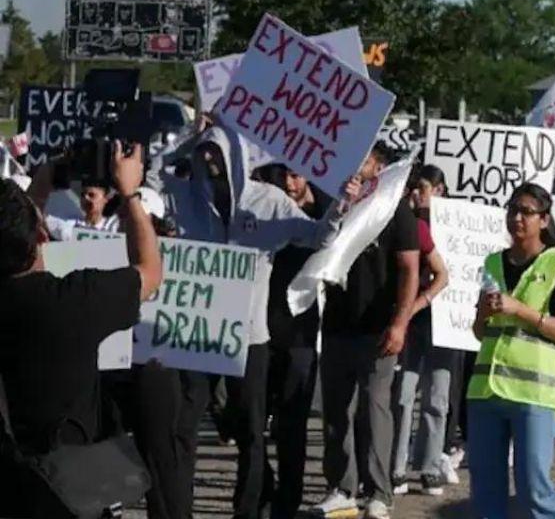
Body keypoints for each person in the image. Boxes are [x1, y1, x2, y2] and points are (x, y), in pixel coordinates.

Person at [154, 124, 353, 519]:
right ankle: (179, 510)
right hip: (200, 336)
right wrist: (193, 138)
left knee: (251, 433)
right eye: (205, 155)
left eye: (217, 154)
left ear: (237, 160)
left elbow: (317, 237)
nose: (210, 161)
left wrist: (341, 204)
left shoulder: (269, 203)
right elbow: (150, 173)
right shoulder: (188, 195)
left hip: (250, 338)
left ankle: (247, 512)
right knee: (183, 428)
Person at [0, 143, 163, 517]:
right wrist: (131, 194)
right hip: (67, 492)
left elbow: (15, 229)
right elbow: (150, 270)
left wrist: (46, 178)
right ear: (42, 235)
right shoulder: (75, 299)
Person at [312, 145, 420, 519]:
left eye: (365, 161)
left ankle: (379, 492)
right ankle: (341, 487)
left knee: (375, 411)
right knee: (336, 411)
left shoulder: (395, 211)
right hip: (338, 324)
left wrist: (400, 323)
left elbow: (410, 269)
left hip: (378, 328)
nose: (356, 168)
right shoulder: (338, 202)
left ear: (380, 168)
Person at [467, 183, 555, 519]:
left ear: (544, 220)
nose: (517, 218)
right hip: (486, 391)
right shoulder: (492, 261)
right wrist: (485, 313)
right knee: (486, 493)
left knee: (534, 489)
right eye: (513, 210)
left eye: (526, 212)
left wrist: (521, 310)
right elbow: (479, 331)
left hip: (534, 394)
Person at [257, 165, 326, 519]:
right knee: (248, 419)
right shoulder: (262, 209)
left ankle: (287, 499)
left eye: (297, 175)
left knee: (291, 425)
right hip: (257, 329)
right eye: (283, 175)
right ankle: (261, 487)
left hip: (298, 335)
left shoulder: (321, 215)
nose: (289, 182)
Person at [391, 164, 455, 497]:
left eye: (425, 188)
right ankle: (397, 466)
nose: (417, 194)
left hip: (444, 322)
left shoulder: (453, 221)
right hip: (412, 323)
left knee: (437, 396)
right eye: (414, 188)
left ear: (440, 191)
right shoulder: (408, 224)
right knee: (403, 394)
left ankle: (430, 466)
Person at [38, 177, 120, 240]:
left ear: (105, 198)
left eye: (92, 195)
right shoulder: (69, 224)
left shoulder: (115, 224)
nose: (86, 198)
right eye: (83, 195)